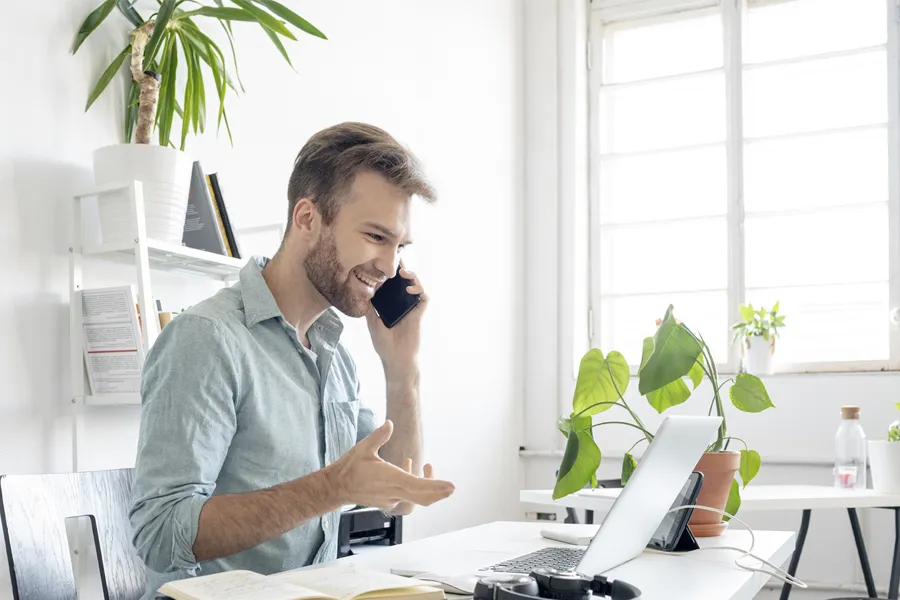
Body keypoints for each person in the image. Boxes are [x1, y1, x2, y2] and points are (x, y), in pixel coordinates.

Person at [128, 122, 456, 599]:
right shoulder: (207, 339)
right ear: (307, 219)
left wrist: (402, 370)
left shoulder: (333, 355)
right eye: (375, 237)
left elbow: (401, 496)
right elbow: (159, 535)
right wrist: (331, 488)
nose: (389, 266)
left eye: (399, 246)